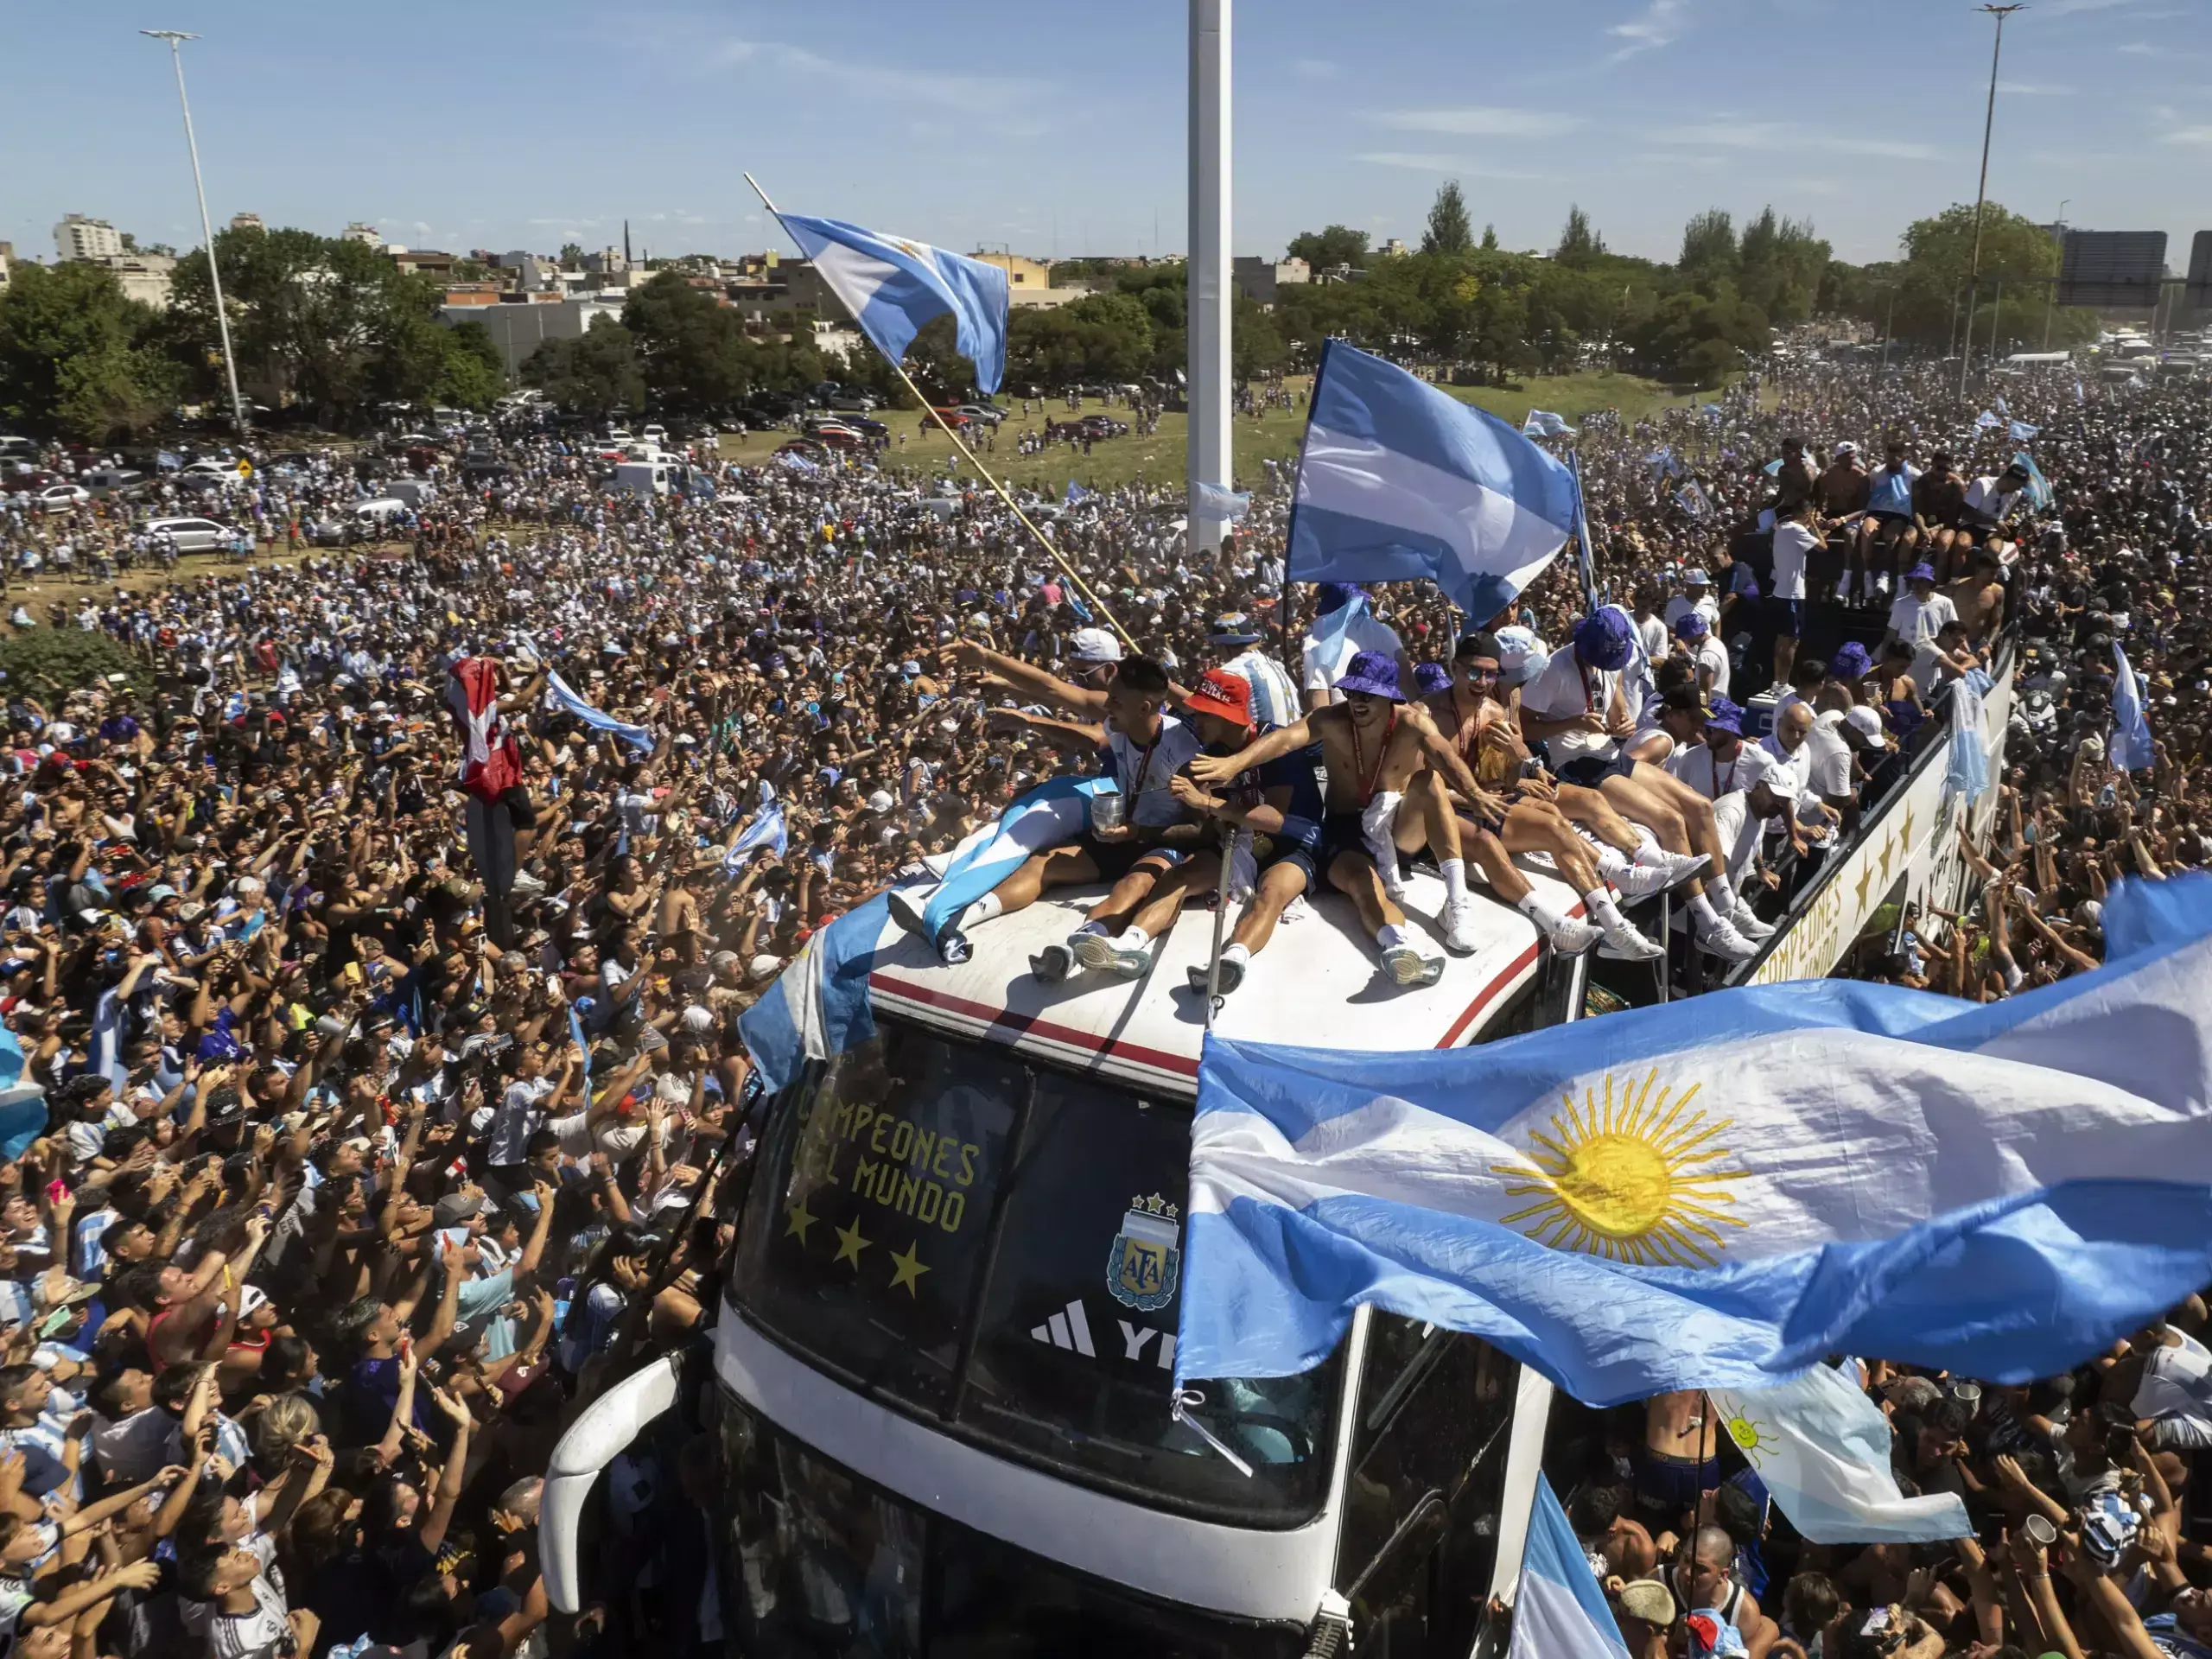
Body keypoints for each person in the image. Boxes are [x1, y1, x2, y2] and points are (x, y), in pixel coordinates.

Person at [1191, 652, 1516, 983]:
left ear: (1389, 697)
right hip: (1345, 829)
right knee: (1364, 882)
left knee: (1430, 782)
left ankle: (1457, 904)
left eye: (1367, 695)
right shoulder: (1332, 719)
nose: (1356, 702)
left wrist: (1474, 793)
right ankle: (1398, 949)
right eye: (1351, 692)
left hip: (1396, 828)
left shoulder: (1412, 723)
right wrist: (1235, 764)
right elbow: (1285, 739)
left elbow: (1445, 756)